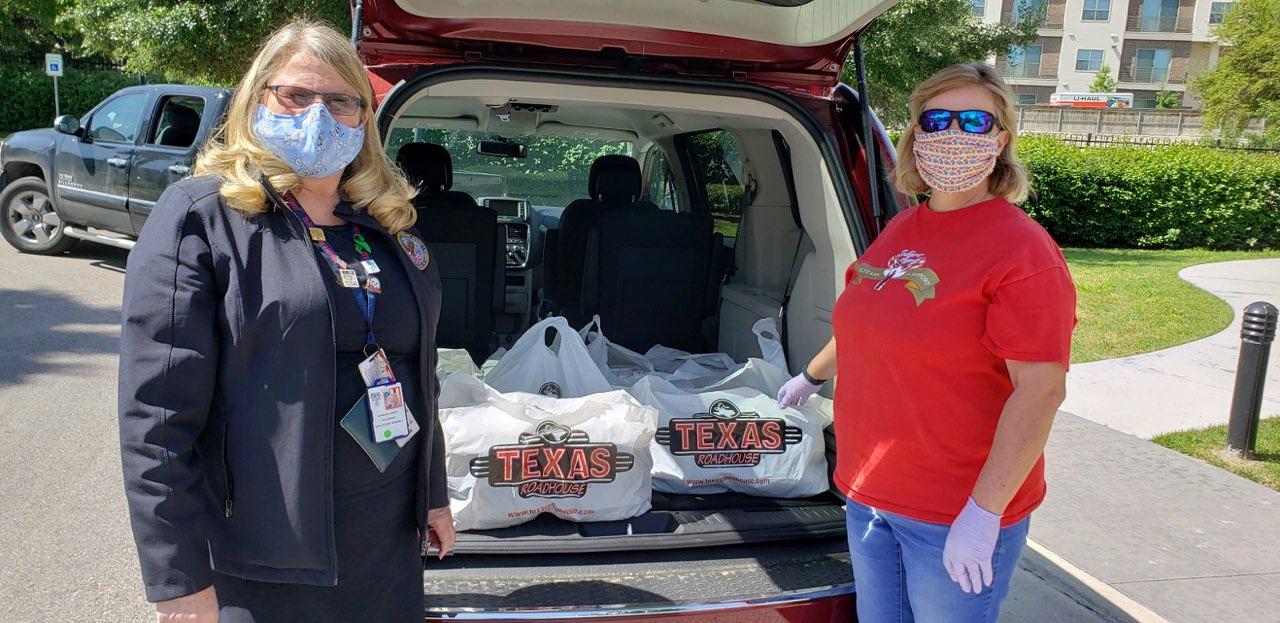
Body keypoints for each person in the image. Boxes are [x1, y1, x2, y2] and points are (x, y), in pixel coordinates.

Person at [118, 20, 455, 623]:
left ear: (363, 119)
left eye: (341, 101)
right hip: (265, 555)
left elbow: (417, 372)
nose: (318, 116)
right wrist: (177, 576)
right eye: (296, 95)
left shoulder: (389, 226)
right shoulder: (204, 217)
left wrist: (431, 495)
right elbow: (156, 415)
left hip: (385, 544)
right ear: (256, 100)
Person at [777, 63, 1077, 622]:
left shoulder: (1022, 252)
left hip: (952, 510)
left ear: (1002, 138)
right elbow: (865, 322)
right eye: (936, 120)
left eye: (973, 121)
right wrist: (810, 376)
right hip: (869, 495)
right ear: (915, 138)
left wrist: (984, 513)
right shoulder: (903, 228)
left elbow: (1040, 390)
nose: (952, 135)